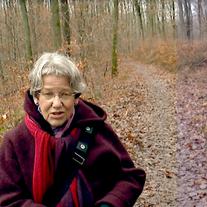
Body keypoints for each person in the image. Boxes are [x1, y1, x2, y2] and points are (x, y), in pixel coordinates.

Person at [0, 52, 146, 206]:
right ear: (36, 96)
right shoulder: (15, 142)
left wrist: (109, 204)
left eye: (64, 94)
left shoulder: (97, 131)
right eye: (48, 94)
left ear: (75, 97)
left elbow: (130, 178)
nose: (56, 103)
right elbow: (6, 198)